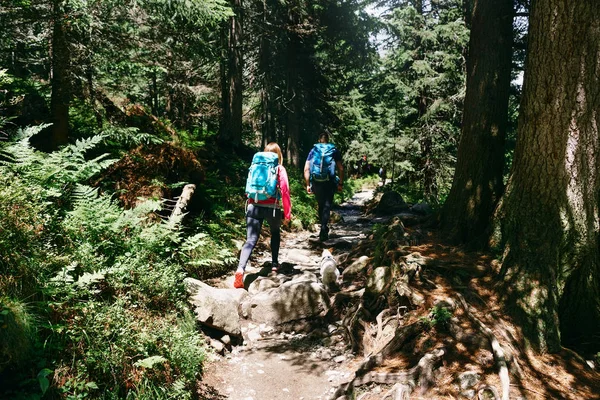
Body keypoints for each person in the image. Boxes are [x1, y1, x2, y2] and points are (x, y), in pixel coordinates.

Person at [234, 142, 292, 289]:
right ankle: (274, 264)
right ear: (279, 154)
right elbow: (284, 191)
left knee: (251, 239)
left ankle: (240, 269)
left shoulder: (255, 165)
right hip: (272, 208)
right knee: (275, 233)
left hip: (253, 205)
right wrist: (287, 213)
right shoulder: (279, 168)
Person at [304, 132, 344, 242]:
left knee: (321, 205)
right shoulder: (333, 150)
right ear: (328, 139)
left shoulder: (313, 150)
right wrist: (340, 183)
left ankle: (323, 227)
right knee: (327, 205)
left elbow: (306, 168)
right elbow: (341, 168)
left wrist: (308, 184)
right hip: (329, 181)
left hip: (316, 181)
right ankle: (323, 228)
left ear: (319, 140)